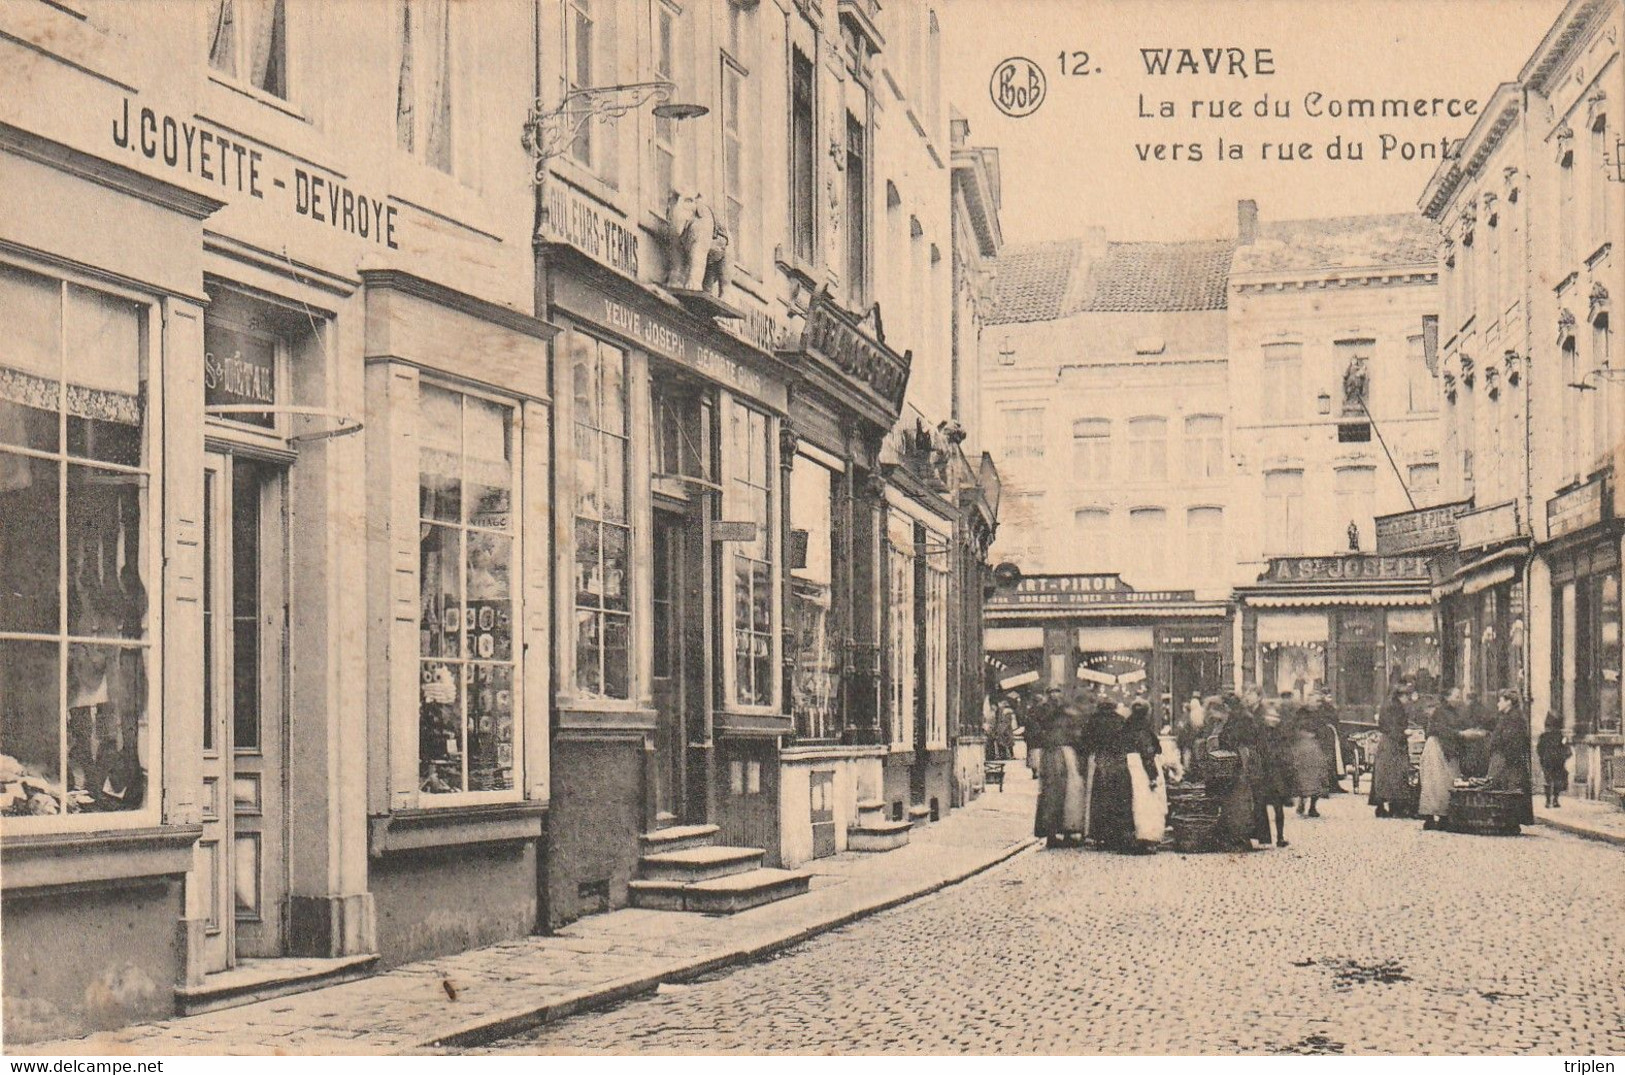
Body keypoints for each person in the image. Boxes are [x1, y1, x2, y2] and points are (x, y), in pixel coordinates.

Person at [1032, 688, 1087, 846]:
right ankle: (1056, 833)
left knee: (1066, 793)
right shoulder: (1055, 714)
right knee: (1058, 794)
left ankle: (1061, 832)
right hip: (1057, 754)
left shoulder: (1050, 714)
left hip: (1061, 753)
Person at [1085, 701, 1139, 852]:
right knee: (1118, 798)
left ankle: (1100, 835)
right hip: (1118, 762)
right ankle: (1118, 834)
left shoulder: (1093, 720)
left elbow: (1087, 741)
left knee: (1101, 798)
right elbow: (1129, 741)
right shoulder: (1120, 720)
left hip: (1102, 761)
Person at [1483, 689, 1535, 825]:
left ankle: (1510, 821)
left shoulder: (1514, 719)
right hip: (1506, 760)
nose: (1498, 704)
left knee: (1510, 791)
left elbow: (1512, 741)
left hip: (1509, 761)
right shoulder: (1508, 717)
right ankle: (1507, 821)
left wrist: (1502, 756)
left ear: (1509, 702)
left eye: (1500, 701)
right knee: (1507, 791)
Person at [1419, 686, 1469, 830]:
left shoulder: (1455, 712)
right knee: (1434, 783)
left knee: (1447, 782)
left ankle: (1444, 816)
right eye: (1456, 696)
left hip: (1448, 749)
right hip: (1437, 748)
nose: (1459, 699)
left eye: (1460, 696)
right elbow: (1440, 730)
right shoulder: (1440, 712)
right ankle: (1429, 817)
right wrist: (1459, 734)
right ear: (1447, 697)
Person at [1123, 700, 1165, 853]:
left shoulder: (1127, 727)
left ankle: (1131, 839)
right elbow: (1147, 754)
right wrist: (1153, 777)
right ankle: (1147, 838)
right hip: (1141, 770)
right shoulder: (1143, 730)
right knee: (1146, 804)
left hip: (1128, 768)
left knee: (1132, 803)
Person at [1369, 679, 1414, 818]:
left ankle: (1381, 806)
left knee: (1383, 775)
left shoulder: (1387, 705)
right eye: (1407, 697)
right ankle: (1396, 807)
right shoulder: (1395, 708)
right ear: (1401, 696)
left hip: (1388, 743)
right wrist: (1404, 732)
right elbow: (1392, 727)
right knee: (1395, 775)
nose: (1408, 700)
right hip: (1393, 744)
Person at [1253, 702, 1294, 848]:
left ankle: (1280, 836)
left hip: (1274, 775)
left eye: (1275, 717)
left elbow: (1285, 754)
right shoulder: (1260, 733)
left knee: (1277, 807)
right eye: (1270, 717)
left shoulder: (1280, 734)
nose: (1272, 720)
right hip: (1265, 774)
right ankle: (1264, 836)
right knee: (1261, 807)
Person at [1291, 700, 1329, 818]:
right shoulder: (1304, 716)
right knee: (1310, 777)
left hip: (1310, 749)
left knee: (1313, 777)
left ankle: (1310, 805)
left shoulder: (1316, 716)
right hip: (1307, 748)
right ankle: (1307, 804)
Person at [1537, 714, 1570, 809]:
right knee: (1556, 781)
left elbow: (1539, 749)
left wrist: (1542, 758)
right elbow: (1565, 749)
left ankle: (1549, 801)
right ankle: (1554, 800)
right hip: (1556, 762)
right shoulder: (1559, 736)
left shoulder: (1544, 736)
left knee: (1549, 781)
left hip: (1549, 761)